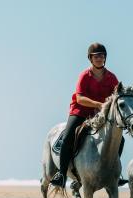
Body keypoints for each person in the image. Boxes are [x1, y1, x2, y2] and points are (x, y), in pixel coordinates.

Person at [50, 42, 127, 188]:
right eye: (96, 56)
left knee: (120, 139)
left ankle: (114, 171)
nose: (99, 58)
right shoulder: (84, 76)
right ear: (90, 58)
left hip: (101, 115)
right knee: (68, 136)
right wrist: (98, 104)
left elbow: (117, 97)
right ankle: (61, 174)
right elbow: (80, 99)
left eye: (102, 55)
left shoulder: (112, 78)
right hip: (80, 112)